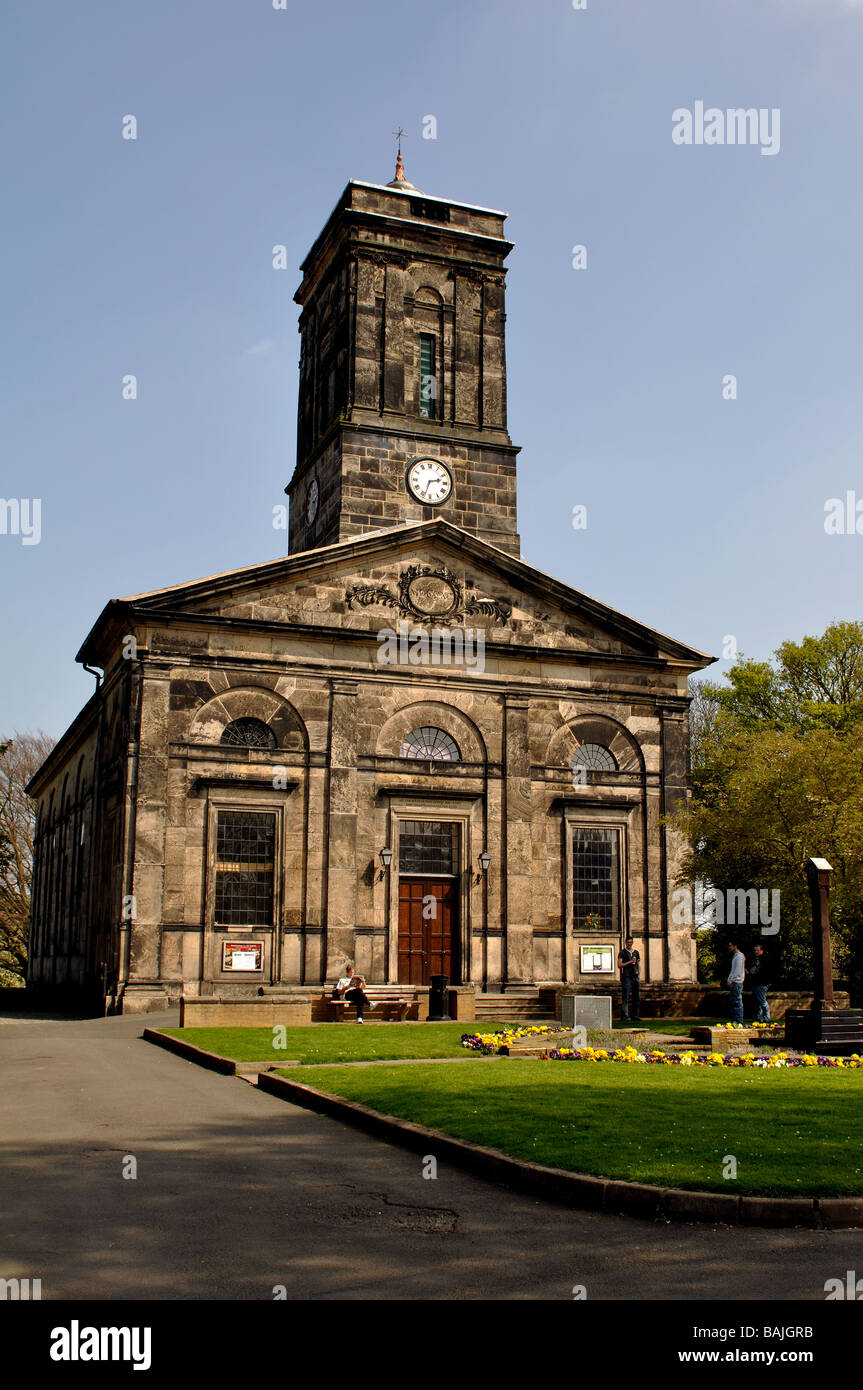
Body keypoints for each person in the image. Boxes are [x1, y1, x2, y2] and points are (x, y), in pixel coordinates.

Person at [617, 936, 641, 1023]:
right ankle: (624, 1016)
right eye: (628, 942)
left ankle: (635, 1015)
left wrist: (639, 974)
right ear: (625, 943)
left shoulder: (636, 953)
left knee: (636, 996)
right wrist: (630, 962)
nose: (629, 944)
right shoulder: (622, 953)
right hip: (627, 976)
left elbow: (638, 964)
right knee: (626, 996)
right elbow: (619, 965)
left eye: (631, 942)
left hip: (635, 976)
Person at [748, 943, 771, 1023]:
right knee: (757, 1002)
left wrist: (768, 982)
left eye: (758, 950)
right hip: (754, 983)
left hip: (761, 983)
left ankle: (767, 1017)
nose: (756, 952)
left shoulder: (765, 959)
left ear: (762, 950)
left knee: (762, 1001)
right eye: (755, 950)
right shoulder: (754, 959)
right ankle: (758, 1018)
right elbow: (752, 972)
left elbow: (768, 972)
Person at [727, 939, 746, 1023]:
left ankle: (738, 1020)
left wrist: (731, 980)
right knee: (733, 1002)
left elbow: (737, 971)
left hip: (737, 982)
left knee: (737, 1002)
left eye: (730, 945)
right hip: (734, 982)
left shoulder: (739, 956)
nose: (729, 947)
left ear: (735, 946)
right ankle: (735, 1020)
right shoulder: (735, 956)